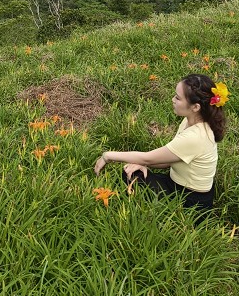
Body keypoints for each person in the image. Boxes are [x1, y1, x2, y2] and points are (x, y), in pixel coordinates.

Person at [94, 73, 228, 217]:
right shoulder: (190, 121)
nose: (173, 100)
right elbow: (168, 159)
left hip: (191, 201)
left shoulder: (196, 136)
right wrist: (142, 164)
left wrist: (108, 156)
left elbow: (147, 158)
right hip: (180, 184)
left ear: (195, 107)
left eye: (178, 97)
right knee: (132, 171)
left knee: (130, 176)